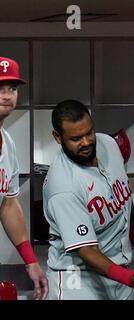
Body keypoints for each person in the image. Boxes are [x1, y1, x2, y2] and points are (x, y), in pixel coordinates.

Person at [43, 99, 134, 300]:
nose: (86, 142)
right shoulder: (63, 187)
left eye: (89, 133)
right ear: (57, 137)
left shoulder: (108, 144)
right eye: (76, 139)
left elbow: (125, 204)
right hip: (78, 282)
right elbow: (87, 251)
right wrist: (129, 278)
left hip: (119, 275)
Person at [0, 56, 48, 300]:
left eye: (12, 88)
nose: (7, 95)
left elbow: (8, 204)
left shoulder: (7, 143)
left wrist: (30, 261)